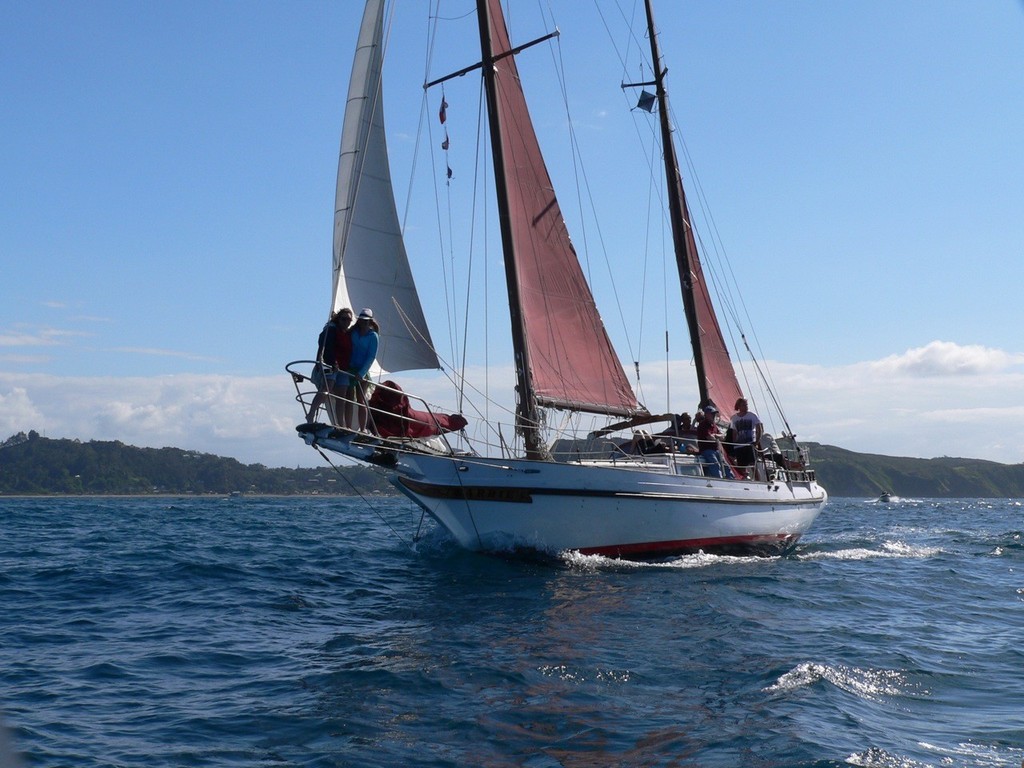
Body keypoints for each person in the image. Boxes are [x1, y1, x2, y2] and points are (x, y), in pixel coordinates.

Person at [306, 308, 353, 424]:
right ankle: (311, 415)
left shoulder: (346, 334)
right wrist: (332, 362)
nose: (346, 322)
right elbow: (327, 347)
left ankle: (340, 425)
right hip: (331, 365)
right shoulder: (331, 330)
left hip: (343, 368)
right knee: (326, 389)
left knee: (342, 397)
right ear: (338, 319)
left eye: (349, 320)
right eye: (343, 319)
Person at [344, 308, 380, 432]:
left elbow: (371, 356)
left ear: (370, 321)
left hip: (362, 371)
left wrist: (362, 373)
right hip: (350, 368)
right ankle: (347, 427)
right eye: (361, 320)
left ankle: (363, 428)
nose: (363, 323)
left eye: (366, 321)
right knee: (348, 397)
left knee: (361, 399)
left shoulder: (373, 336)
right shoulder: (353, 332)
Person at [729, 398, 764, 478]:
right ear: (739, 406)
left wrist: (756, 441)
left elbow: (759, 429)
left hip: (749, 444)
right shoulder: (734, 418)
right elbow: (734, 432)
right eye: (743, 405)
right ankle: (743, 480)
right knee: (741, 466)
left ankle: (757, 480)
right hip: (739, 446)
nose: (746, 406)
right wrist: (733, 445)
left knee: (753, 465)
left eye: (746, 404)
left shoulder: (752, 416)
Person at [696, 405, 725, 478]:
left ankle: (731, 479)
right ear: (707, 415)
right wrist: (717, 438)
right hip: (707, 450)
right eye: (712, 414)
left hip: (716, 449)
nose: (714, 416)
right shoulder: (703, 425)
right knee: (715, 463)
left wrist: (715, 436)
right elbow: (709, 437)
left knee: (725, 464)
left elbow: (723, 437)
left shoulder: (714, 425)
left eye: (714, 414)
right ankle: (719, 479)